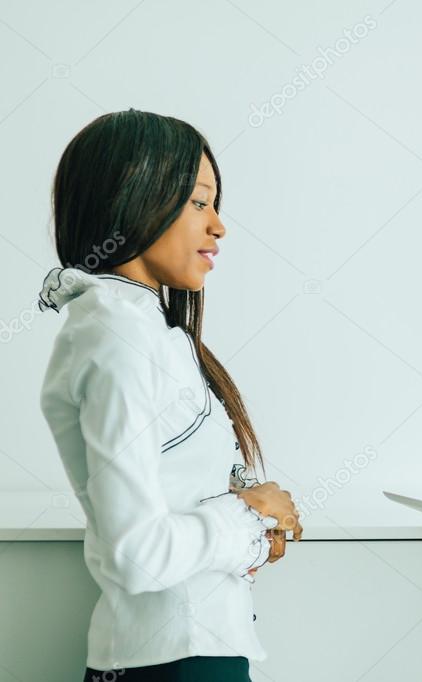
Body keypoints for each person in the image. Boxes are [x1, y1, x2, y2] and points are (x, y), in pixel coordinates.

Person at [37, 110, 302, 682]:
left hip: (187, 650)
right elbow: (136, 553)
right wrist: (249, 516)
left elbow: (172, 501)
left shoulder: (137, 328)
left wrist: (254, 537)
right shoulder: (117, 336)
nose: (219, 227)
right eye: (200, 203)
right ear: (135, 199)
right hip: (176, 660)